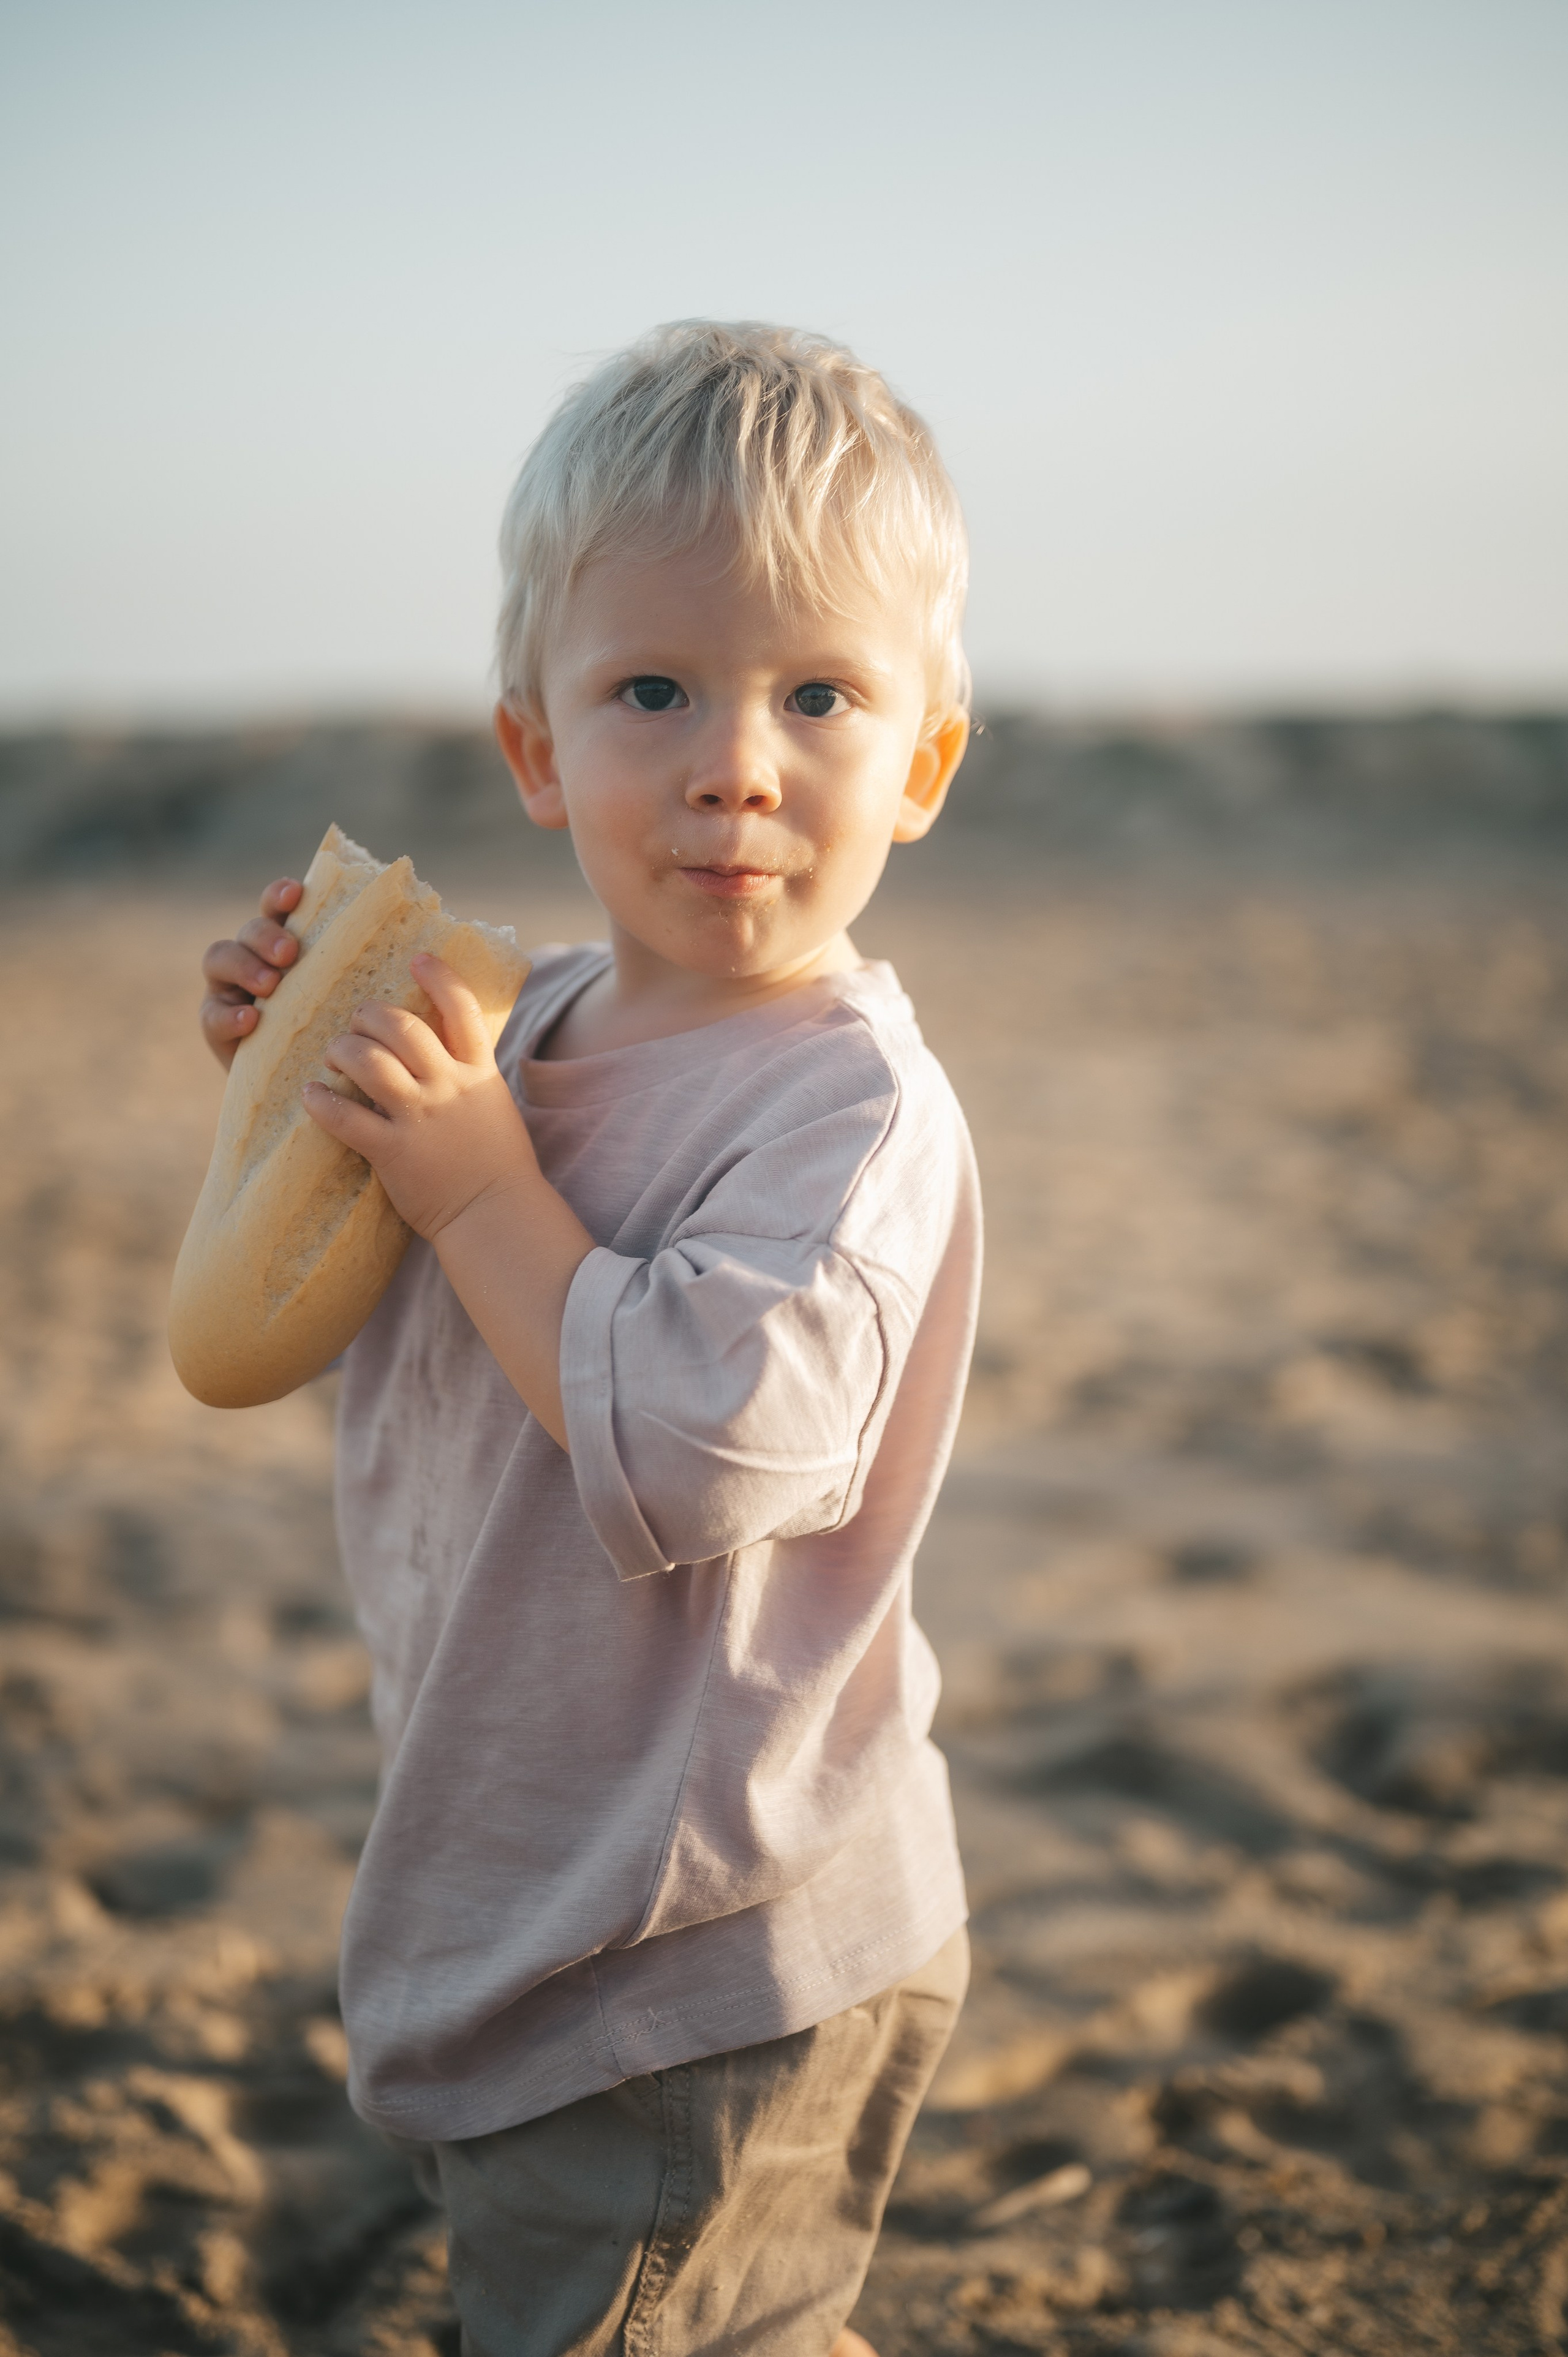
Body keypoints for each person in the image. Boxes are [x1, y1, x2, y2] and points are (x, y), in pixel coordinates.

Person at [198, 321, 981, 2357]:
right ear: (537, 751)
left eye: (819, 694)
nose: (737, 758)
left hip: (710, 1943)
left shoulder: (848, 1110)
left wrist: (473, 1186)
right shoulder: (516, 1027)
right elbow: (328, 1272)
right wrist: (295, 1071)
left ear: (921, 764)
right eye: (655, 689)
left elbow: (712, 1446)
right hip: (540, 1865)